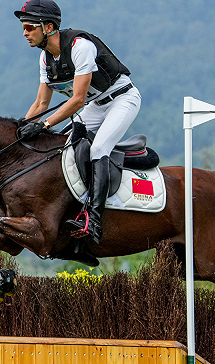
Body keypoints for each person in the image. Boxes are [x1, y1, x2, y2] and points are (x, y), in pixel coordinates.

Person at [15, 0, 141, 246]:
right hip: (97, 106)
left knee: (98, 149)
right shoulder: (45, 59)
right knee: (62, 148)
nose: (25, 33)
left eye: (29, 26)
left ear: (49, 27)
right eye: (23, 27)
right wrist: (20, 129)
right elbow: (41, 104)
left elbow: (77, 100)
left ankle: (93, 220)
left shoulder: (79, 46)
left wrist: (42, 126)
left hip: (122, 99)